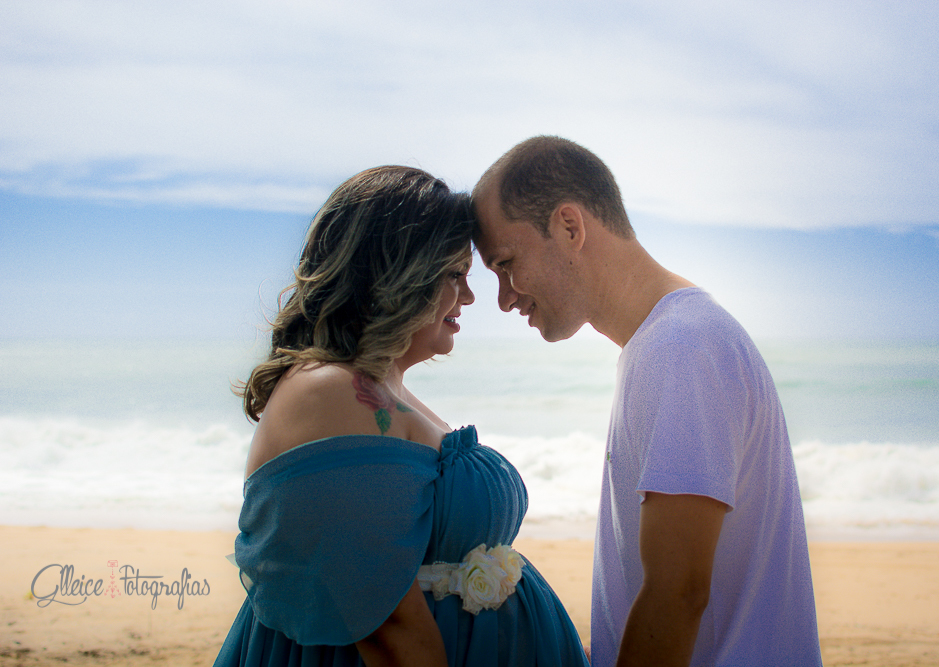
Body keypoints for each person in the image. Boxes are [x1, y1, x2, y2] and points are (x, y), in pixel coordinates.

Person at [215, 166, 589, 667]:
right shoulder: (329, 392)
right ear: (397, 273)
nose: (469, 296)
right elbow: (388, 629)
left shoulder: (379, 388)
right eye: (454, 274)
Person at [472, 137, 822, 667]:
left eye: (505, 263)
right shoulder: (667, 341)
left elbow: (677, 594)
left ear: (569, 227)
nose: (504, 298)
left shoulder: (681, 347)